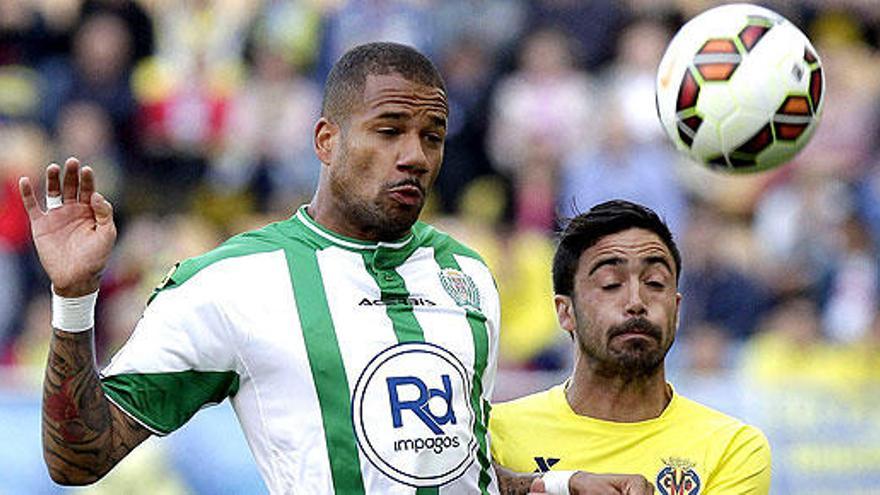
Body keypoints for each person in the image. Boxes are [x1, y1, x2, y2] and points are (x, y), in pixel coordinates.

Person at [19, 42, 649, 494]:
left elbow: (462, 475)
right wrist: (74, 299)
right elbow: (78, 459)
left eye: (432, 136)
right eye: (389, 130)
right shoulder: (233, 283)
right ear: (326, 140)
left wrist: (559, 487)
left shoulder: (466, 272)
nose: (415, 156)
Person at [490, 200, 772, 494]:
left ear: (676, 310)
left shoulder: (732, 448)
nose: (636, 302)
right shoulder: (496, 435)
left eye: (655, 283)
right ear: (566, 312)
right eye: (611, 284)